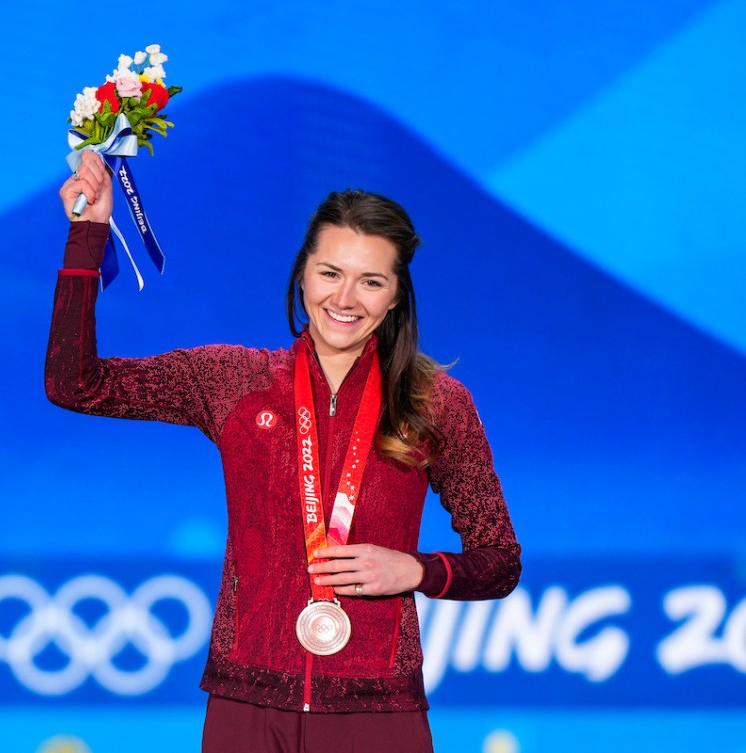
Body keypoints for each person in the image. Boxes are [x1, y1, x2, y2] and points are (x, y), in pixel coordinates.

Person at [46, 150, 521, 753]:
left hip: (376, 708)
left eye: (371, 281)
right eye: (330, 273)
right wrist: (87, 234)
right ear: (303, 273)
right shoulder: (230, 381)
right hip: (246, 702)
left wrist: (418, 570)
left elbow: (500, 560)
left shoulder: (436, 403)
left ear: (396, 296)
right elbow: (74, 383)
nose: (345, 298)